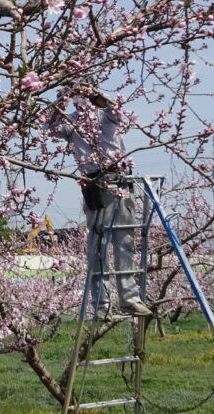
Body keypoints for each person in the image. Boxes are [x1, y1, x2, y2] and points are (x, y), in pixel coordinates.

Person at [46, 88, 153, 319]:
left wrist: (100, 98)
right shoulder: (71, 122)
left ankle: (130, 299)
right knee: (98, 243)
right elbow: (48, 127)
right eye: (77, 96)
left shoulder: (106, 115)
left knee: (124, 240)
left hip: (121, 180)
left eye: (85, 94)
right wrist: (60, 99)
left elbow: (118, 110)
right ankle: (101, 303)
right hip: (95, 183)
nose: (82, 101)